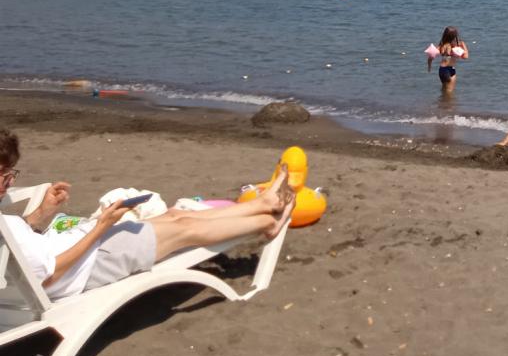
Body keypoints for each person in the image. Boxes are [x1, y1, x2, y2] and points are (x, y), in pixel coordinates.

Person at [0, 128, 293, 300]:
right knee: (183, 228)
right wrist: (101, 226)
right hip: (90, 264)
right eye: (6, 176)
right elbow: (49, 275)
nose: (10, 183)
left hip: (75, 251)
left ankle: (262, 206)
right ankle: (267, 219)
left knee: (176, 216)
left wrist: (41, 213)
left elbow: (14, 250)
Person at [427, 26, 469, 96]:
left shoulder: (442, 46)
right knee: (449, 92)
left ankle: (442, 104)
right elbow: (465, 57)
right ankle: (448, 106)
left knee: (444, 89)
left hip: (442, 70)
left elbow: (431, 57)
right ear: (455, 36)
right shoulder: (456, 46)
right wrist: (464, 45)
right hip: (450, 70)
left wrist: (429, 67)